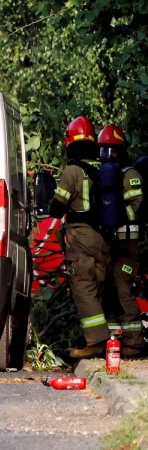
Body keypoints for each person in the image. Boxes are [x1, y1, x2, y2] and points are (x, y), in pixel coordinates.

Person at [49, 116, 110, 358]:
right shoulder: (104, 169)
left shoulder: (72, 171)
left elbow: (57, 207)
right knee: (98, 287)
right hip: (104, 237)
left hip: (80, 236)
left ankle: (96, 342)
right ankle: (110, 339)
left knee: (83, 288)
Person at [98, 125, 144, 355]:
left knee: (122, 286)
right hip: (112, 243)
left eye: (111, 149)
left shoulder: (130, 174)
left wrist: (118, 215)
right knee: (109, 288)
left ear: (120, 150)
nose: (106, 154)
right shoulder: (107, 175)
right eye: (103, 149)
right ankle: (114, 339)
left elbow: (138, 206)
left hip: (128, 244)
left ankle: (135, 341)